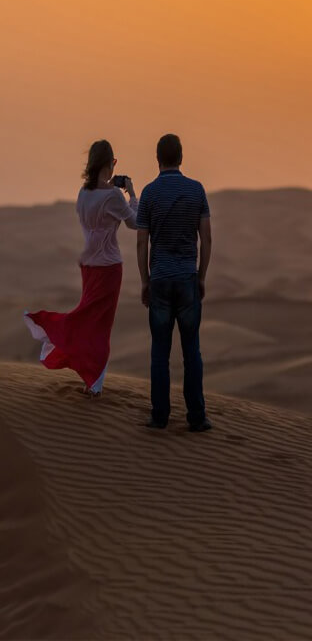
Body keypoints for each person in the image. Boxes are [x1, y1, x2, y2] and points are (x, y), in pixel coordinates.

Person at [24, 140, 138, 396]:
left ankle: (91, 377)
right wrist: (132, 193)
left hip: (88, 267)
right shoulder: (113, 195)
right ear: (109, 165)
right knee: (99, 325)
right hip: (108, 268)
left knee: (88, 318)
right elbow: (136, 222)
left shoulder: (83, 194)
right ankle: (91, 377)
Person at [137, 133, 213, 432]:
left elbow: (142, 242)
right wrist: (202, 276)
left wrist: (145, 280)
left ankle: (160, 417)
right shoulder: (196, 191)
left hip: (160, 280)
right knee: (191, 351)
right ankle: (197, 417)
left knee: (160, 352)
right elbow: (206, 237)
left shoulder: (149, 193)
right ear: (181, 157)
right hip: (187, 279)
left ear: (158, 159)